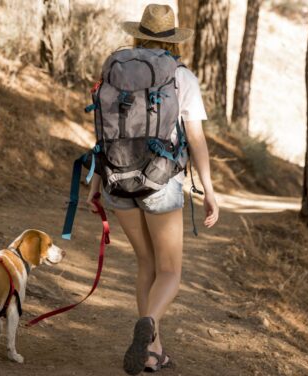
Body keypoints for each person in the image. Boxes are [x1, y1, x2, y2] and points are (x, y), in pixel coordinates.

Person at [85, 4, 220, 374]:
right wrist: (209, 190)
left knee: (146, 263)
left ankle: (151, 352)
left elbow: (103, 131)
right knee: (170, 271)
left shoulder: (114, 69)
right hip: (161, 182)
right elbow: (196, 141)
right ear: (173, 39)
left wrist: (96, 179)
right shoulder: (182, 77)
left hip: (117, 178)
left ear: (138, 34)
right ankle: (150, 325)